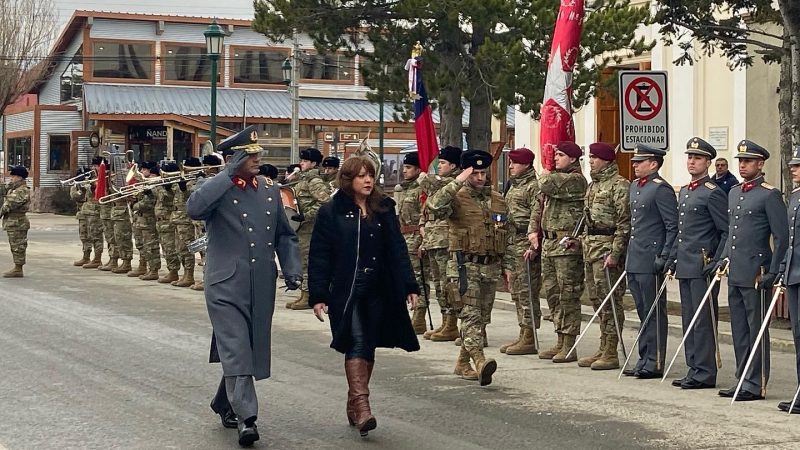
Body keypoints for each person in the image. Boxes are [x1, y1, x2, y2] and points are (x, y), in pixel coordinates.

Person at [187, 128, 301, 447]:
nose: (257, 158)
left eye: (256, 153)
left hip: (260, 282)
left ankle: (224, 402)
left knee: (246, 347)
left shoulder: (268, 189)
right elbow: (194, 208)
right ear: (232, 157)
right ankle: (247, 418)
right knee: (237, 345)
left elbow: (285, 235)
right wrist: (226, 173)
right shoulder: (214, 188)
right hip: (225, 284)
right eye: (249, 154)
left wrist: (292, 268)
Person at [308, 156, 420, 437]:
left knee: (367, 343)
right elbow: (319, 255)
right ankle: (363, 406)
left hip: (380, 287)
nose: (368, 180)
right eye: (360, 176)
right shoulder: (331, 211)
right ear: (348, 180)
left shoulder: (384, 208)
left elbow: (397, 249)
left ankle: (353, 402)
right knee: (355, 339)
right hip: (347, 290)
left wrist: (409, 285)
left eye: (370, 175)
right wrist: (318, 294)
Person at [427, 150, 514, 386]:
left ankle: (462, 362)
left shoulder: (498, 200)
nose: (479, 177)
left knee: (482, 318)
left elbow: (508, 236)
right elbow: (434, 206)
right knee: (470, 317)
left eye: (482, 172)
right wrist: (457, 182)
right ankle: (479, 360)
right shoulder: (457, 197)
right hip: (464, 268)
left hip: (490, 268)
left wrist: (508, 267)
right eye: (474, 173)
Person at [717, 140, 788, 401]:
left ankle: (756, 382)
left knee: (755, 328)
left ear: (760, 164)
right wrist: (724, 258)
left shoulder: (770, 195)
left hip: (757, 272)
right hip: (736, 270)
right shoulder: (734, 192)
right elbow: (731, 233)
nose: (743, 164)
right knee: (739, 328)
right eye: (741, 161)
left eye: (748, 161)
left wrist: (775, 270)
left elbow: (781, 237)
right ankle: (742, 376)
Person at [666, 137, 728, 388]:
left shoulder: (713, 193)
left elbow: (725, 230)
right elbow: (681, 231)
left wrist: (718, 259)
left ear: (708, 163)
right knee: (689, 319)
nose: (692, 162)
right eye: (690, 157)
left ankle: (705, 372)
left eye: (698, 158)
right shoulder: (686, 191)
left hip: (702, 264)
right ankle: (694, 367)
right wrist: (672, 258)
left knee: (703, 320)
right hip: (685, 263)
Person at [623, 144, 678, 379]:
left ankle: (654, 360)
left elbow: (672, 226)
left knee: (654, 311)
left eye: (640, 161)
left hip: (651, 258)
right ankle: (644, 357)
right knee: (642, 311)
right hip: (635, 257)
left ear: (653, 164)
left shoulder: (661, 189)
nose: (635, 165)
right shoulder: (635, 186)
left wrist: (665, 255)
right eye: (635, 161)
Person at [531, 141, 587, 363]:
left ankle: (569, 343)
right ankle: (559, 338)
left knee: (568, 295)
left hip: (566, 247)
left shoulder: (575, 180)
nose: (555, 159)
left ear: (573, 159)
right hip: (550, 244)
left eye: (560, 155)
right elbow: (540, 202)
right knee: (553, 295)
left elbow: (544, 183)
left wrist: (545, 170)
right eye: (555, 155)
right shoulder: (557, 179)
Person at [577, 142, 630, 370]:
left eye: (594, 157)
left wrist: (616, 253)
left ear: (607, 160)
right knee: (597, 300)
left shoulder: (619, 186)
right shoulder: (593, 186)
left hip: (607, 250)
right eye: (590, 157)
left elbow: (624, 223)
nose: (590, 161)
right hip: (591, 248)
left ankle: (611, 350)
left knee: (610, 301)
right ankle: (602, 345)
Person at [418, 146, 463, 342]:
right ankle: (445, 321)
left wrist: (423, 174)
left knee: (447, 284)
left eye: (443, 163)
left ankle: (452, 323)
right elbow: (427, 209)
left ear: (453, 165)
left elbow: (427, 184)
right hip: (433, 239)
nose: (439, 166)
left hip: (446, 239)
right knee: (438, 283)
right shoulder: (442, 183)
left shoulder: (455, 182)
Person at [501, 148, 542, 356]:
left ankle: (529, 335)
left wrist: (534, 246)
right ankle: (523, 331)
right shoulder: (514, 185)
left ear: (525, 164)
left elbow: (538, 217)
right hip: (511, 242)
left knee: (527, 291)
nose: (510, 166)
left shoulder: (534, 187)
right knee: (516, 290)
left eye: (514, 163)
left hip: (524, 243)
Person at [285, 147, 331, 310]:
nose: (302, 163)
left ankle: (308, 296)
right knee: (301, 260)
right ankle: (304, 294)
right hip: (301, 228)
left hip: (310, 228)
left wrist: (307, 216)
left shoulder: (315, 182)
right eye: (302, 160)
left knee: (306, 262)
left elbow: (325, 203)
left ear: (313, 163)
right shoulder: (302, 180)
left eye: (305, 161)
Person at [778, 146, 800, 413]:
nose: (792, 169)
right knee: (798, 335)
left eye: (797, 165)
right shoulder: (794, 197)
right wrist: (784, 268)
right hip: (794, 274)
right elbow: (790, 241)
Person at [395, 152, 427, 333]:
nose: (404, 170)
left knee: (418, 278)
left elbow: (424, 215)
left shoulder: (421, 189)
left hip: (417, 237)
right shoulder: (405, 188)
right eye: (404, 167)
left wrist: (423, 239)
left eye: (408, 167)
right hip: (405, 237)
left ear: (418, 169)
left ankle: (419, 316)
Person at [170, 157, 202, 287]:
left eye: (187, 168)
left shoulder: (197, 182)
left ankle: (189, 275)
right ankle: (185, 274)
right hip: (178, 219)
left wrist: (184, 188)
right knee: (180, 248)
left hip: (186, 220)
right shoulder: (184, 180)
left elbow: (193, 196)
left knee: (187, 248)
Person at [131, 161, 162, 281]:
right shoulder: (145, 183)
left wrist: (135, 205)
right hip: (141, 219)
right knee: (141, 244)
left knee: (151, 246)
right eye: (141, 169)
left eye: (144, 170)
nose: (142, 172)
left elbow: (149, 203)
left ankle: (153, 270)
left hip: (149, 220)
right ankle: (143, 266)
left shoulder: (155, 183)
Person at [1, 165, 31, 278]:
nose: (11, 178)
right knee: (14, 245)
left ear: (19, 177)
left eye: (13, 176)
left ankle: (18, 268)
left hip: (18, 221)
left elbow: (9, 204)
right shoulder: (14, 189)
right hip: (13, 221)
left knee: (18, 246)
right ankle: (17, 267)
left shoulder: (22, 190)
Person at [155, 162, 181, 283]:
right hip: (162, 221)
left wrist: (165, 187)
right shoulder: (166, 184)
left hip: (170, 220)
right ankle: (171, 271)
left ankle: (174, 272)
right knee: (166, 248)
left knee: (171, 248)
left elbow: (169, 198)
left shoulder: (175, 185)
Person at [82, 157, 105, 269]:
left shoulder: (105, 177)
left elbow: (102, 192)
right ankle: (87, 256)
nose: (94, 168)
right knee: (87, 235)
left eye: (96, 166)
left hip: (96, 210)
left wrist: (94, 186)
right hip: (87, 210)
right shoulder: (92, 177)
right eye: (94, 166)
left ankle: (97, 258)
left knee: (96, 236)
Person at [70, 168, 93, 266]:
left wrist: (89, 187)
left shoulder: (91, 185)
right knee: (83, 235)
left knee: (93, 236)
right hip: (82, 213)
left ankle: (96, 258)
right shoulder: (77, 186)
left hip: (92, 212)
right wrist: (81, 188)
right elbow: (75, 196)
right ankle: (86, 256)